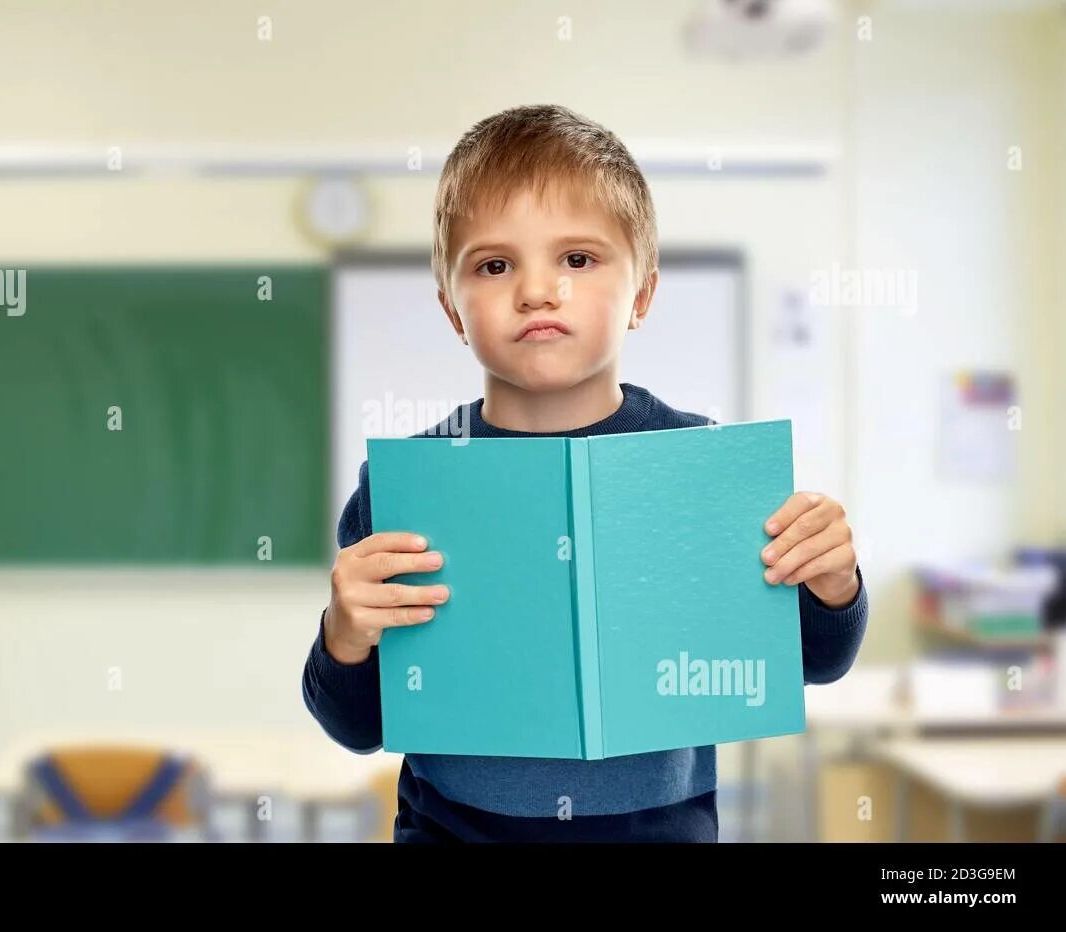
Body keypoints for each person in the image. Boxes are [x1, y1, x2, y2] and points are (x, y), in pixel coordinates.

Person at [302, 104, 868, 842]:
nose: (538, 290)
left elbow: (817, 664)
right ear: (452, 309)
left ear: (641, 294)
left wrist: (835, 585)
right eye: (495, 265)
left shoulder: (702, 466)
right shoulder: (409, 486)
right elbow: (357, 726)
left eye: (577, 259)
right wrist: (343, 635)